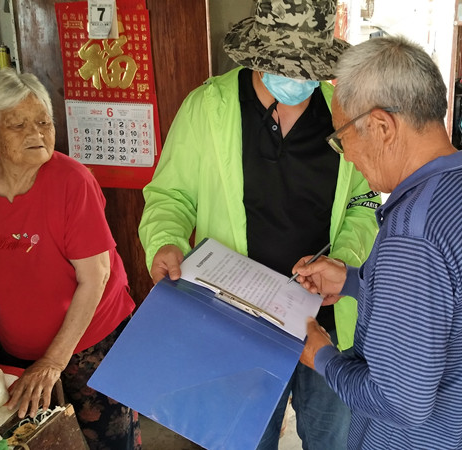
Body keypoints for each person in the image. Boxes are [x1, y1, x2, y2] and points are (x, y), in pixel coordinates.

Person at [137, 0, 379, 448]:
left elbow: (364, 203)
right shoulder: (209, 107)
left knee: (334, 440)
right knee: (241, 441)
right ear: (258, 53)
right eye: (284, 64)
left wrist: (343, 260)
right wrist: (166, 241)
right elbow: (170, 195)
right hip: (236, 320)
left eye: (308, 67)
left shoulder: (343, 113)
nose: (297, 77)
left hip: (323, 323)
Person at [292, 35, 462, 449]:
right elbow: (450, 309)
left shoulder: (413, 232)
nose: (346, 155)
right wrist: (353, 281)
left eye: (342, 137)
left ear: (382, 127)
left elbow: (400, 402)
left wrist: (322, 356)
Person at [0, 69, 140, 449]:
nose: (36, 134)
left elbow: (95, 277)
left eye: (43, 122)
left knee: (107, 443)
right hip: (13, 344)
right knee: (26, 441)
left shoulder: (73, 181)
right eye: (18, 125)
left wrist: (52, 363)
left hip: (92, 344)